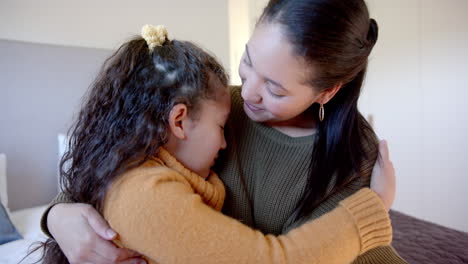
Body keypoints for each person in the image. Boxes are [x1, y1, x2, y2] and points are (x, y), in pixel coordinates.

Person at [42, 0, 408, 263]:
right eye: (248, 62)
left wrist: (371, 211)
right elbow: (115, 168)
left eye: (275, 90)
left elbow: (340, 250)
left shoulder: (354, 156)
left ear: (327, 91)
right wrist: (58, 217)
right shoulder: (213, 104)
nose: (247, 93)